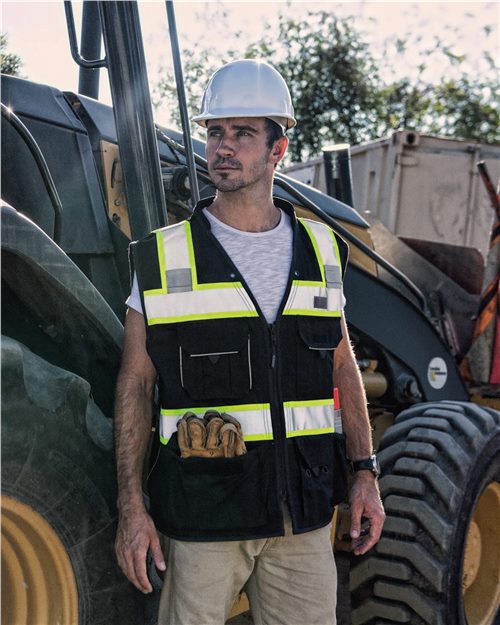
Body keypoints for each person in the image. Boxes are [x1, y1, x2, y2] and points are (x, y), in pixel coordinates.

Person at [114, 59, 385, 625]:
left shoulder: (320, 249)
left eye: (242, 133)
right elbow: (136, 383)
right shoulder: (162, 256)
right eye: (215, 132)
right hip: (204, 517)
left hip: (302, 518)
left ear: (277, 148)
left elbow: (342, 365)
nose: (223, 147)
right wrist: (131, 506)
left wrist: (365, 471)